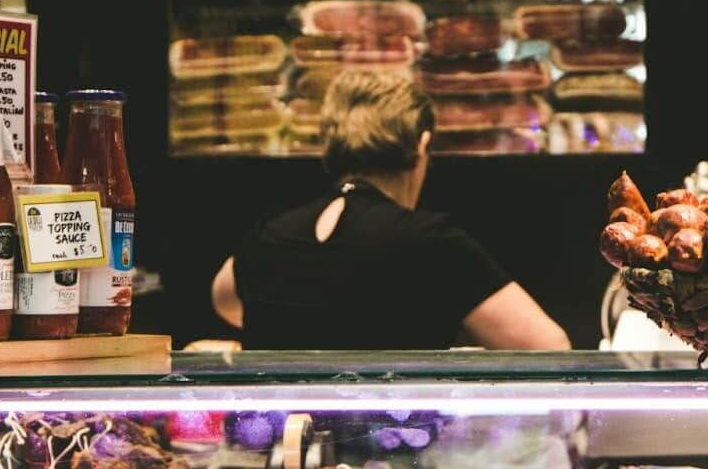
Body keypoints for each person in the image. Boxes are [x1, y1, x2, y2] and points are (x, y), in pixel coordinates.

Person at [211, 70, 570, 350]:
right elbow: (549, 347)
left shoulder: (266, 236)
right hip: (395, 444)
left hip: (283, 443)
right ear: (422, 146)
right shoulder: (432, 243)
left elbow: (224, 299)